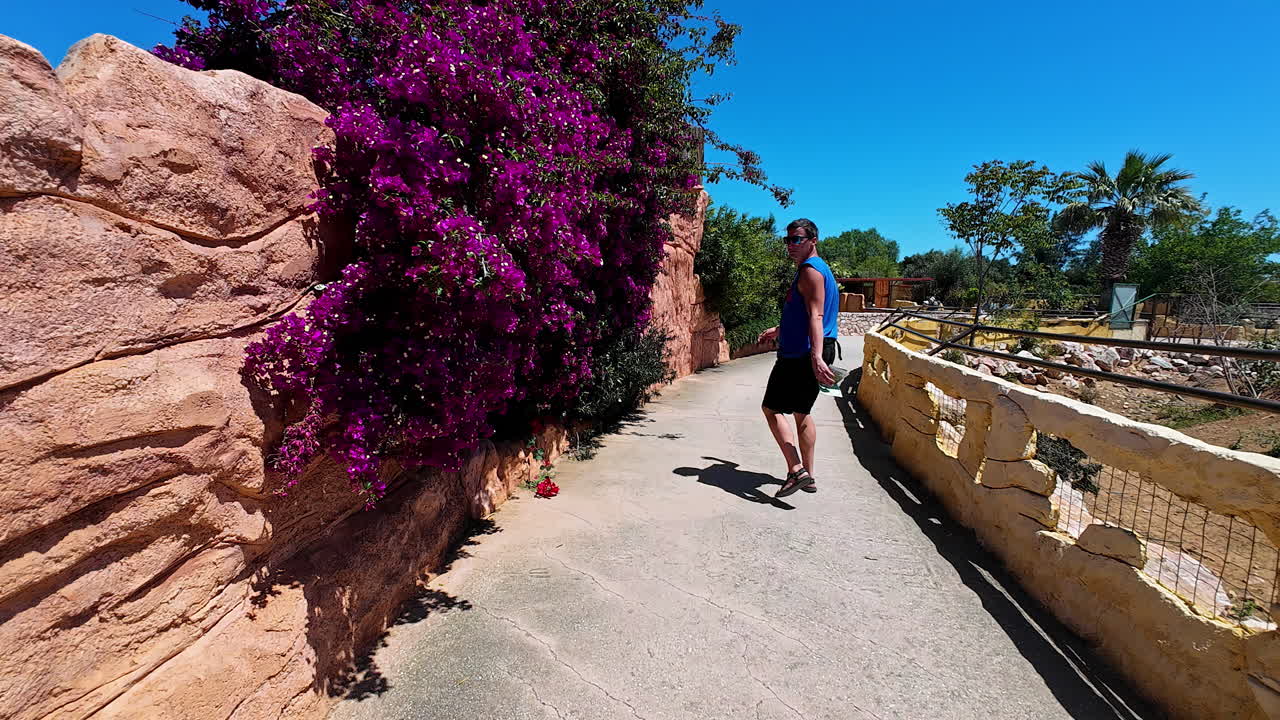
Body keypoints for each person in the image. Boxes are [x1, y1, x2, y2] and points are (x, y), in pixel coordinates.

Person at [757, 218, 839, 499]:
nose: (790, 245)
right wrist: (779, 329)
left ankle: (796, 469)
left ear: (813, 241)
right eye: (787, 240)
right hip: (811, 349)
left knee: (771, 409)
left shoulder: (809, 272)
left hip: (800, 354)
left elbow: (816, 316)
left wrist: (815, 357)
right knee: (803, 412)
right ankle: (809, 476)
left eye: (797, 239)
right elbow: (805, 314)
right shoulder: (822, 270)